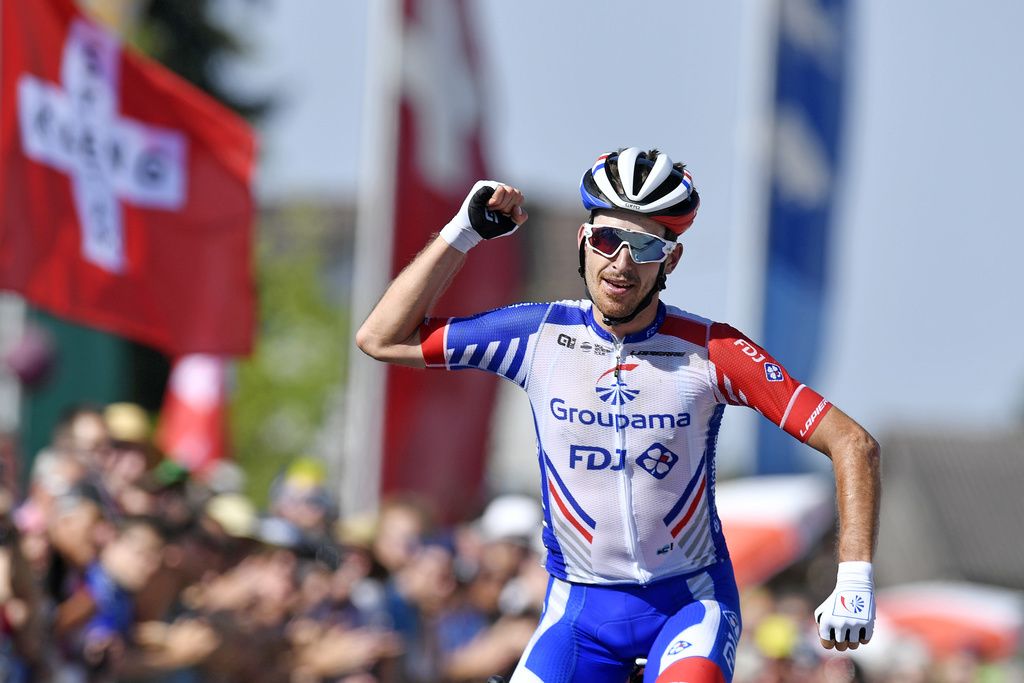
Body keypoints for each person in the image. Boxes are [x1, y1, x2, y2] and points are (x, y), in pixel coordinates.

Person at [356, 147, 881, 683]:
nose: (622, 263)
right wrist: (462, 232)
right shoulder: (536, 336)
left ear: (669, 261)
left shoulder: (710, 350)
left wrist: (854, 576)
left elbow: (852, 443)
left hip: (689, 604)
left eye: (646, 246)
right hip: (580, 616)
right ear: (584, 242)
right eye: (607, 240)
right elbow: (380, 338)